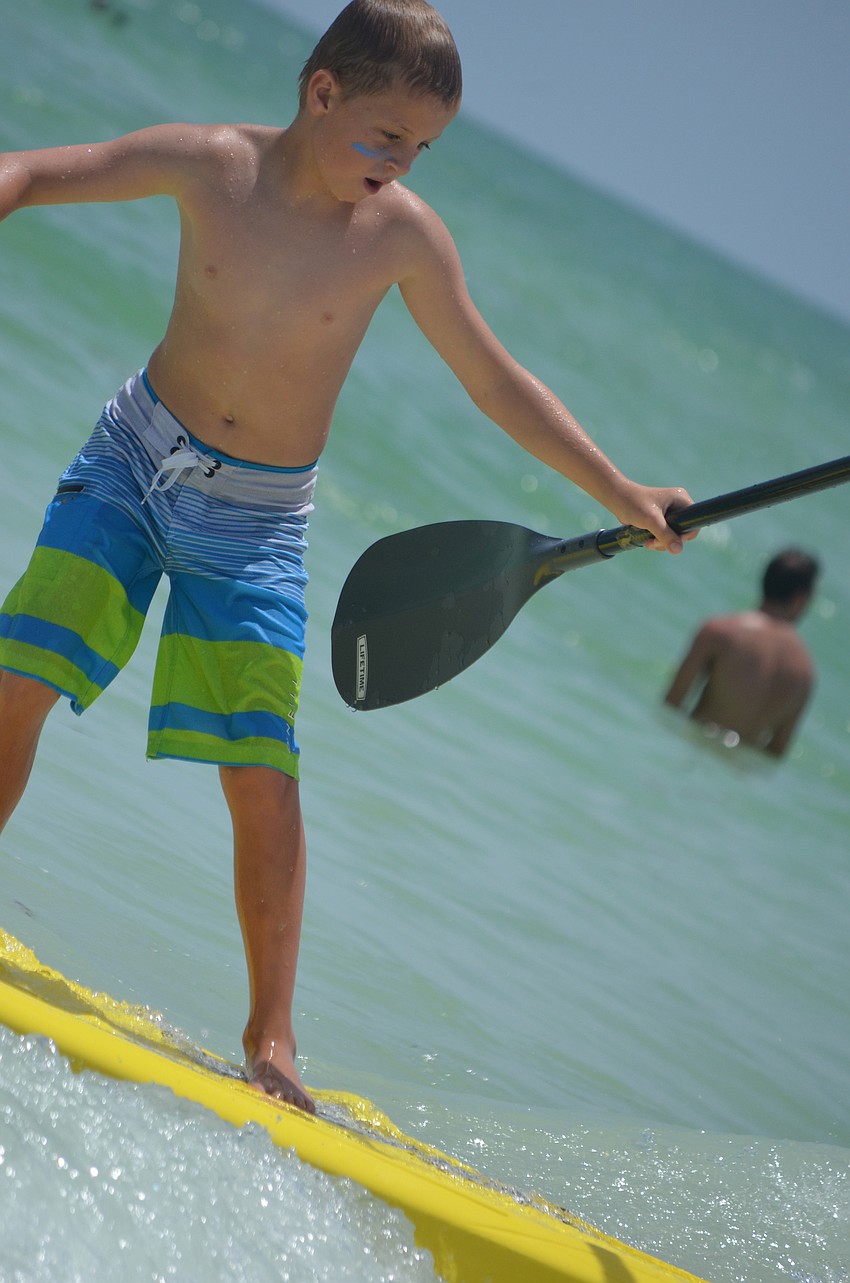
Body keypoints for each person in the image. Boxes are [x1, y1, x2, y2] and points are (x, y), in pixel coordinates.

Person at [0, 0, 694, 1113]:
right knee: (20, 674)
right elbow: (35, 171)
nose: (401, 166)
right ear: (319, 91)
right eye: (385, 137)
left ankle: (272, 1036)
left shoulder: (404, 237)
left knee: (261, 775)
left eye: (421, 149)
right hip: (133, 460)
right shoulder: (207, 165)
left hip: (261, 521)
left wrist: (621, 491)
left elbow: (492, 379)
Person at [664, 548, 819, 757]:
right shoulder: (805, 674)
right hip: (739, 778)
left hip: (695, 753)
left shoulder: (719, 631)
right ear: (800, 599)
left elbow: (671, 706)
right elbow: (775, 753)